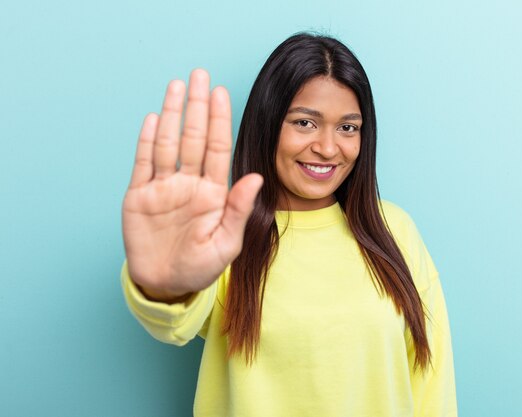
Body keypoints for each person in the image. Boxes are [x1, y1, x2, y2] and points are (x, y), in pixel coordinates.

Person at [121, 32, 457, 416]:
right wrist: (163, 287)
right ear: (267, 124)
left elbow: (432, 383)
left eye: (348, 128)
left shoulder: (395, 229)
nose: (329, 148)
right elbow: (173, 324)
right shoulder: (224, 235)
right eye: (305, 123)